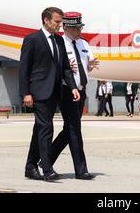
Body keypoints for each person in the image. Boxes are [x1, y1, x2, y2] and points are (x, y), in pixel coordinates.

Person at [19, 7, 80, 182]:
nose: (60, 25)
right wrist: (26, 93)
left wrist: (73, 87)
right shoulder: (32, 39)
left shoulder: (59, 41)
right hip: (39, 92)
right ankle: (47, 169)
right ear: (46, 20)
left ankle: (30, 167)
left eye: (60, 22)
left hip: (55, 92)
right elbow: (24, 69)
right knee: (46, 128)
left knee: (39, 129)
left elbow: (66, 69)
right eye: (57, 22)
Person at [51, 12, 99, 180]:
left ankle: (46, 160)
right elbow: (55, 67)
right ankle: (81, 170)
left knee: (69, 130)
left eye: (80, 27)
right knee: (74, 130)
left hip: (82, 90)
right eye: (75, 28)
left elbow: (89, 66)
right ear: (66, 27)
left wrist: (91, 65)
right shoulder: (59, 43)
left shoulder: (83, 43)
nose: (79, 30)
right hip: (67, 91)